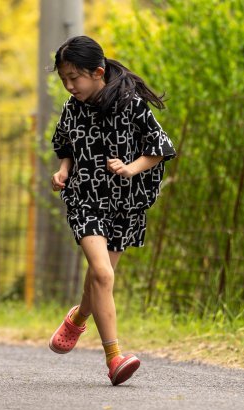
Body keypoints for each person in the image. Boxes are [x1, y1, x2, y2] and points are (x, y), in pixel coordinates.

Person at [48, 35, 176, 385]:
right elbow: (65, 145)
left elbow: (161, 148)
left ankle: (77, 318)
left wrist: (131, 168)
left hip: (125, 205)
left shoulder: (132, 105)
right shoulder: (71, 109)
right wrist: (63, 171)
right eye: (64, 80)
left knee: (99, 279)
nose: (70, 86)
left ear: (98, 71)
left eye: (75, 78)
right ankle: (114, 358)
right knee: (103, 275)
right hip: (85, 199)